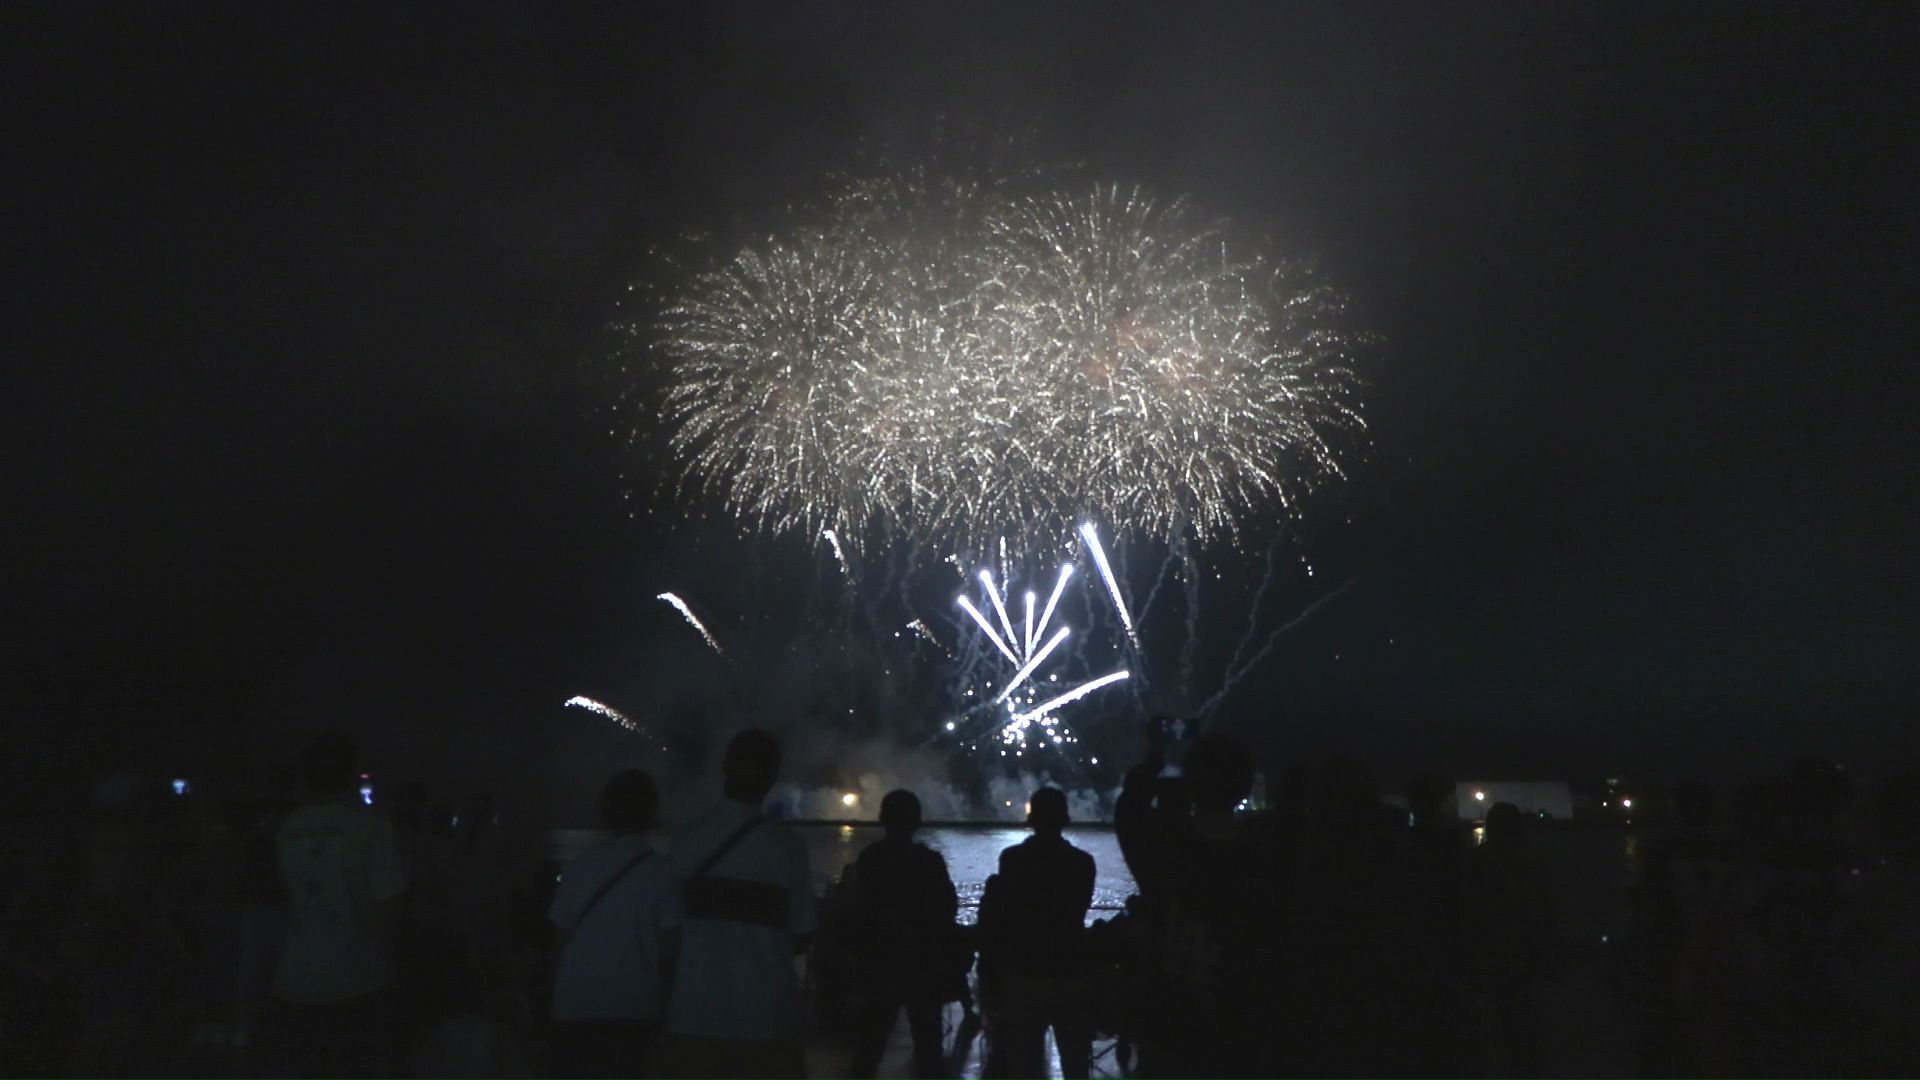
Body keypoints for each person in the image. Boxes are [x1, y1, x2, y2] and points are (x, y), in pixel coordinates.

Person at [658, 729, 817, 1080]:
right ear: (772, 778)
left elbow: (669, 932)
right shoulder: (788, 849)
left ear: (724, 770)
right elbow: (804, 930)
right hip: (767, 1020)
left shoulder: (686, 841)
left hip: (694, 1017)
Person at [266, 731, 408, 1077]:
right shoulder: (369, 825)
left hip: (295, 975)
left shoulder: (289, 827)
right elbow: (389, 904)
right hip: (356, 976)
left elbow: (283, 898)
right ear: (349, 771)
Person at [547, 769, 675, 1079]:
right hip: (634, 1009)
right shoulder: (663, 874)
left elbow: (558, 937)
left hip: (576, 1006)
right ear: (651, 813)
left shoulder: (580, 868)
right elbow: (671, 950)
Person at [980, 787, 1095, 1080]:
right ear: (1065, 819)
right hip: (1070, 968)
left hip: (1024, 970)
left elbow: (1008, 915)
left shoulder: (1012, 859)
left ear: (1031, 819)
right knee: (1075, 1061)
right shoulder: (1083, 862)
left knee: (1024, 1059)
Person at [845, 789, 959, 1080]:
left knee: (868, 1050)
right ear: (917, 822)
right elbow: (947, 910)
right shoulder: (930, 861)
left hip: (880, 964)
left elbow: (860, 911)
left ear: (883, 819)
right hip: (922, 966)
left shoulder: (871, 858)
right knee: (928, 1050)